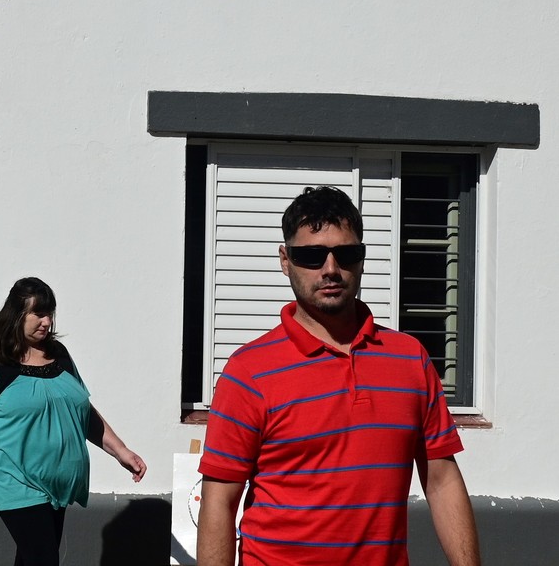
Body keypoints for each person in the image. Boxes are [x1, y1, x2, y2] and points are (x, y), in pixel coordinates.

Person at [196, 186, 480, 566]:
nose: (330, 269)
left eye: (345, 254)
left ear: (362, 259)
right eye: (312, 256)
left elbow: (442, 481)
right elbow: (219, 502)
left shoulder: (410, 360)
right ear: (285, 260)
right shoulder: (248, 372)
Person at [0, 277, 147, 566]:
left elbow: (82, 411)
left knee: (32, 559)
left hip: (56, 484)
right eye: (38, 314)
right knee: (42, 558)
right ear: (16, 314)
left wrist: (121, 452)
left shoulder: (59, 355)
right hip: (15, 480)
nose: (47, 322)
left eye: (50, 313)